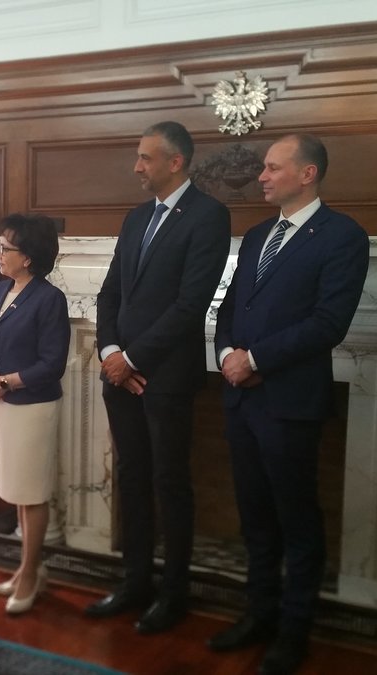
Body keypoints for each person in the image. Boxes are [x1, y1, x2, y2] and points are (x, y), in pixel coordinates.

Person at [211, 134, 369, 675]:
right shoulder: (258, 235)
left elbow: (329, 322)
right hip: (242, 401)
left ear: (307, 174)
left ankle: (293, 632)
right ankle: (258, 614)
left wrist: (256, 359)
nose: (261, 176)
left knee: (296, 520)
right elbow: (231, 307)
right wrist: (227, 354)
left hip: (290, 403)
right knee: (255, 518)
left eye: (273, 168)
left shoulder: (343, 236)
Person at [89, 121, 231, 635]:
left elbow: (191, 305)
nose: (137, 167)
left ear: (176, 162)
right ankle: (135, 582)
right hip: (121, 374)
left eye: (146, 158)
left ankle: (173, 594)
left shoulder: (209, 216)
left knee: (169, 482)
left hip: (166, 377)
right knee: (131, 476)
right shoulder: (135, 217)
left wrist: (133, 358)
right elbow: (110, 293)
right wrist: (111, 352)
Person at [0, 213, 70, 615]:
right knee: (18, 491)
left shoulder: (50, 299)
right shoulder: (0, 289)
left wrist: (6, 381)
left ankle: (31, 573)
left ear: (28, 257)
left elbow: (52, 364)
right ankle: (25, 568)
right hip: (5, 405)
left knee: (32, 494)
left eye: (5, 248)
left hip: (34, 408)